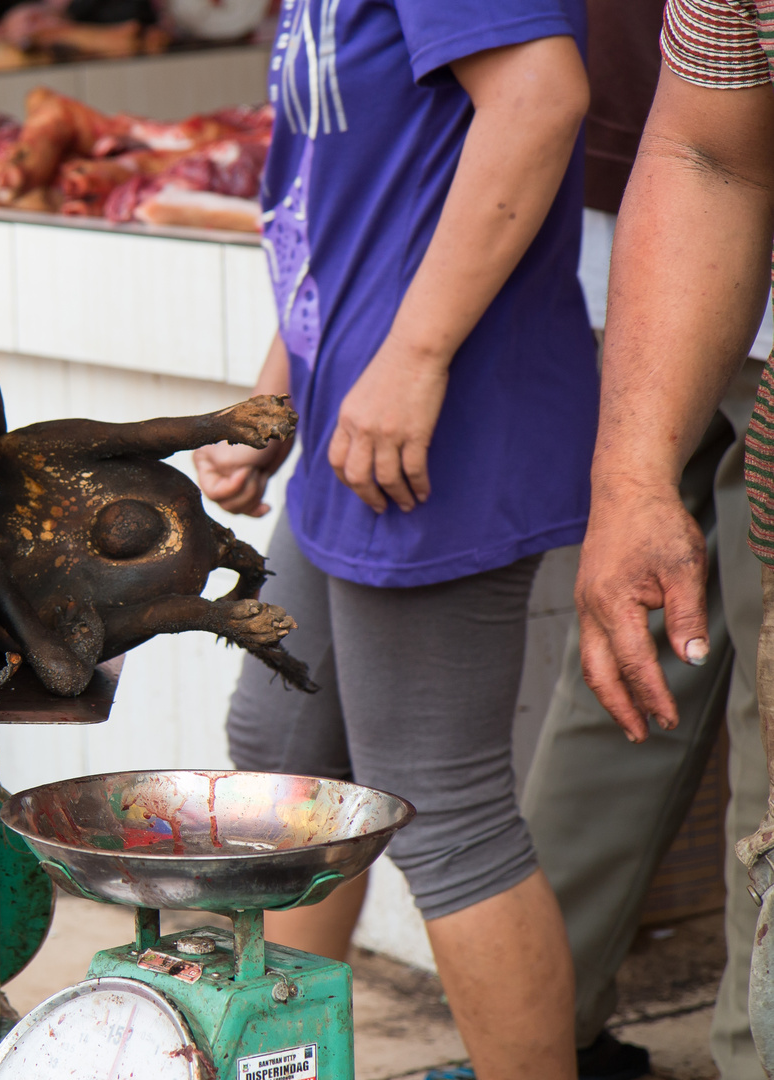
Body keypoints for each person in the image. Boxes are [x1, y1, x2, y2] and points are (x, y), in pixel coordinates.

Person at [193, 1, 594, 1076]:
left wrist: (414, 356)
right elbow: (340, 198)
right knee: (285, 756)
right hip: (351, 414)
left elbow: (540, 98)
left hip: (434, 420)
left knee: (443, 810)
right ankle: (283, 1061)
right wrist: (276, 399)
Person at [518, 0, 774, 1074]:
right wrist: (627, 480)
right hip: (670, 280)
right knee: (651, 653)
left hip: (651, 267)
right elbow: (708, 151)